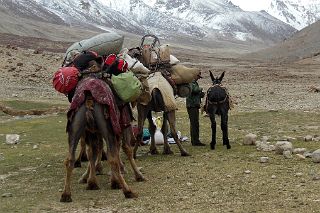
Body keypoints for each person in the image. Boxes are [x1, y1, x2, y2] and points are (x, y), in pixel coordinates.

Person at [186, 72, 205, 146]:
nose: (198, 78)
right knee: (194, 124)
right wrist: (201, 89)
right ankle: (195, 141)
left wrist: (202, 95)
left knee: (195, 123)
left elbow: (195, 93)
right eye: (198, 77)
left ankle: (195, 140)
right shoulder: (191, 83)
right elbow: (194, 90)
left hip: (194, 106)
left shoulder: (194, 83)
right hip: (192, 106)